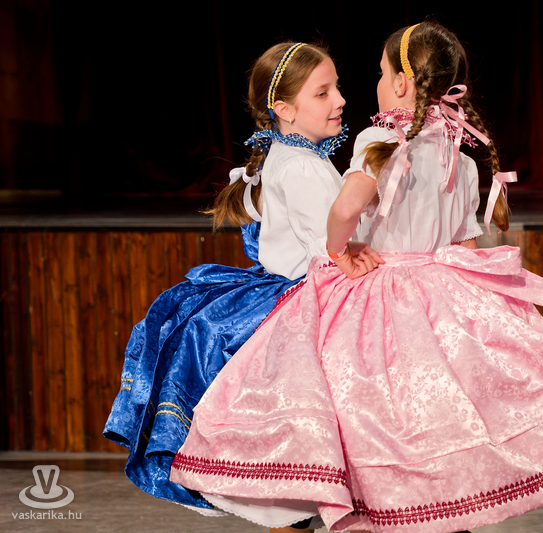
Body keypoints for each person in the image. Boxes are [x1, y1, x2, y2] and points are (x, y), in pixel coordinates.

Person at [171, 21, 543, 532]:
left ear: (400, 83)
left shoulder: (379, 141)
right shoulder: (462, 159)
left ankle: (366, 504)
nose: (357, 91)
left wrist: (338, 248)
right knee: (440, 420)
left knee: (373, 415)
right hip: (443, 296)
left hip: (381, 293)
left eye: (378, 73)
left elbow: (345, 210)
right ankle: (445, 508)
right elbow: (464, 246)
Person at [103, 41, 377, 523]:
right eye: (322, 92)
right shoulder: (301, 166)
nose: (340, 100)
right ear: (284, 110)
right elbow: (330, 250)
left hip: (288, 291)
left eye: (336, 87)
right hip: (305, 300)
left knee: (296, 463)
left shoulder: (290, 156)